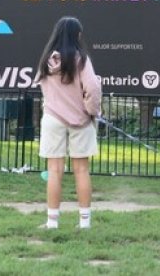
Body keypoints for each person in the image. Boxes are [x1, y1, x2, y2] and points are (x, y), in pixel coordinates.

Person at [35, 16, 102, 229]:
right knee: (81, 170)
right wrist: (92, 111)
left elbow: (43, 86)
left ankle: (52, 221)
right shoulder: (81, 59)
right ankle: (84, 223)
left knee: (54, 170)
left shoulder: (47, 60)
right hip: (81, 120)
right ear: (77, 35)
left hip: (53, 118)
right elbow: (92, 88)